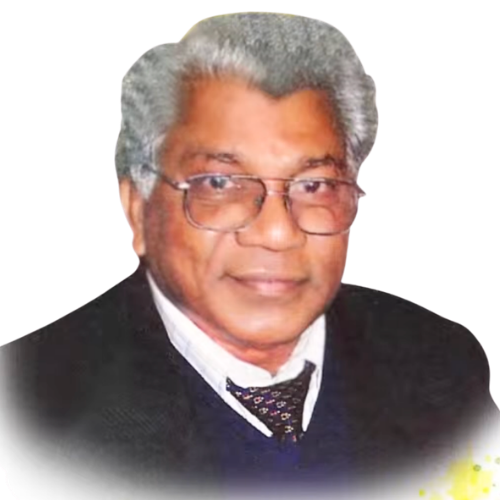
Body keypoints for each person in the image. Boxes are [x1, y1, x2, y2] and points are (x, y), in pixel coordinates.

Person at [0, 11, 495, 500]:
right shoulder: (24, 409)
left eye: (315, 185)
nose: (277, 233)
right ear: (138, 210)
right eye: (220, 183)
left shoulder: (444, 365)